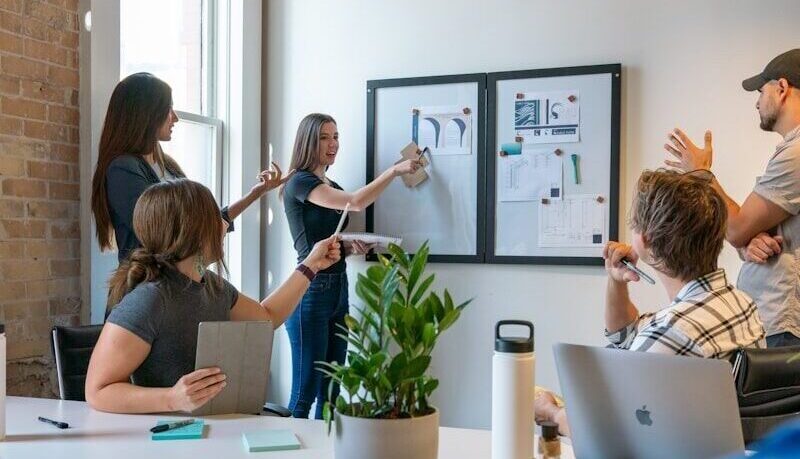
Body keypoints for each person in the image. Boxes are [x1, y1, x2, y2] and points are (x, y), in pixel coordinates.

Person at [535, 169, 767, 436]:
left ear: (645, 239)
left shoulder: (673, 332)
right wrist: (616, 281)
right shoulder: (739, 303)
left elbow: (608, 428)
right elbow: (624, 335)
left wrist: (552, 413)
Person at [85, 179, 340, 414]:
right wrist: (172, 398)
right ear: (192, 231)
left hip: (211, 431)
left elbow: (267, 317)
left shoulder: (213, 286)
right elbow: (97, 391)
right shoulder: (149, 300)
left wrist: (312, 265)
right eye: (215, 216)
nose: (224, 223)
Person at [280, 113, 422, 418]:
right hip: (310, 290)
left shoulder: (331, 184)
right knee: (303, 396)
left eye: (336, 136)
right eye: (324, 137)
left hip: (337, 288)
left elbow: (328, 240)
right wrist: (394, 171)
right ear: (308, 142)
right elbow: (355, 202)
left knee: (330, 393)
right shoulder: (300, 182)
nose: (333, 144)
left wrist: (350, 247)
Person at [664, 49, 800, 347]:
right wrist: (750, 243)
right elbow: (745, 231)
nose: (757, 102)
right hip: (774, 322)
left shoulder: (796, 154)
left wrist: (701, 173)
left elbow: (736, 228)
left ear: (781, 88)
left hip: (785, 327)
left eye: (761, 91)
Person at [90, 72, 290, 264]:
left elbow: (203, 222)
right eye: (168, 109)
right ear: (147, 114)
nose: (174, 117)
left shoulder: (167, 165)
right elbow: (163, 232)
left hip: (175, 286)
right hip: (149, 288)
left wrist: (256, 193)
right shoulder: (122, 169)